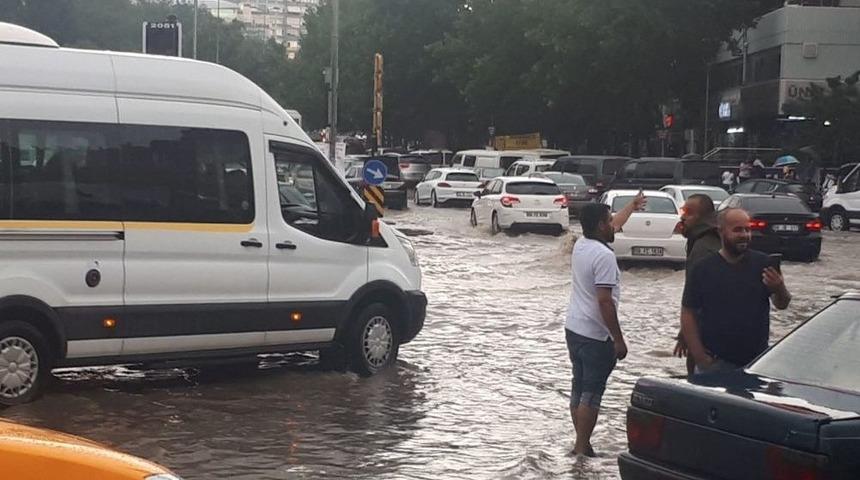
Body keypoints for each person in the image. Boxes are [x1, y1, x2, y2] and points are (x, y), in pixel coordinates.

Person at [565, 192, 646, 457]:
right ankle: (581, 449)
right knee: (592, 392)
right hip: (596, 336)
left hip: (574, 329)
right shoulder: (604, 256)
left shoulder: (581, 245)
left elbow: (616, 224)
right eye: (609, 221)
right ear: (601, 225)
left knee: (578, 387)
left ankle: (581, 445)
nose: (614, 225)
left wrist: (631, 207)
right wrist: (618, 339)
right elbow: (605, 302)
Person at [680, 208, 792, 374]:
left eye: (748, 229)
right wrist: (700, 356)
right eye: (737, 230)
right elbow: (688, 313)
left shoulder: (763, 264)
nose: (744, 235)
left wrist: (779, 287)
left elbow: (782, 304)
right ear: (721, 232)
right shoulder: (703, 268)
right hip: (716, 362)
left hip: (756, 362)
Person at [673, 194, 722, 375]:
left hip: (708, 340)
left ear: (703, 218)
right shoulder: (705, 241)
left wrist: (686, 336)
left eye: (688, 212)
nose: (682, 217)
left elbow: (696, 299)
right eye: (682, 211)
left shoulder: (703, 249)